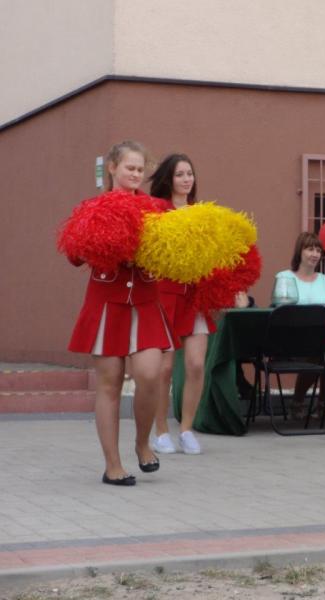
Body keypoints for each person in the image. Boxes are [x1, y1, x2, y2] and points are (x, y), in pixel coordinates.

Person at [66, 140, 171, 486]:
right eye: (130, 167)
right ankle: (113, 465)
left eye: (141, 169)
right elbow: (74, 256)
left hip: (144, 302)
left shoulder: (158, 209)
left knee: (150, 374)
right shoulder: (92, 207)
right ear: (112, 168)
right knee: (109, 385)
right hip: (107, 303)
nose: (136, 174)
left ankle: (142, 444)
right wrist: (101, 239)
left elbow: (172, 254)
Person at [149, 154, 214, 455]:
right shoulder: (156, 211)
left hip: (195, 296)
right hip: (164, 294)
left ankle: (186, 428)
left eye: (190, 173)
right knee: (163, 369)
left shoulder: (201, 213)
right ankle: (161, 430)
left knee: (196, 364)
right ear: (168, 180)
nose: (187, 179)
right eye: (180, 174)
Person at [274, 232, 325, 418]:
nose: (315, 254)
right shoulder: (284, 277)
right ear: (299, 251)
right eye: (310, 249)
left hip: (320, 343)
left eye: (318, 250)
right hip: (288, 343)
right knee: (318, 354)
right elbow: (280, 313)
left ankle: (322, 404)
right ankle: (298, 401)